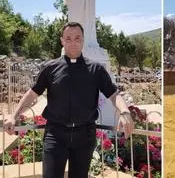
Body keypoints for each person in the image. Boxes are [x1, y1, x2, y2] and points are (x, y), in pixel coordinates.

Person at [3, 22, 134, 178]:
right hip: (55, 135)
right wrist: (14, 115)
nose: (73, 42)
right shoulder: (50, 68)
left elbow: (113, 94)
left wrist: (125, 112)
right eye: (68, 38)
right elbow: (32, 93)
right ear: (62, 40)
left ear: (83, 40)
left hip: (84, 136)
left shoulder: (96, 69)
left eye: (77, 38)